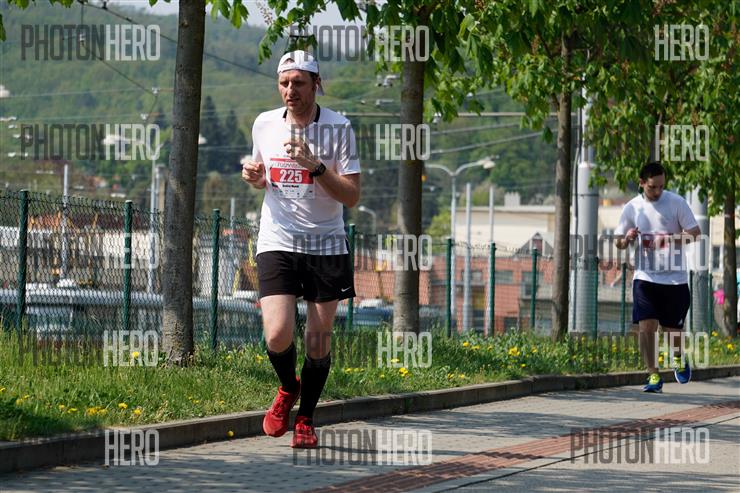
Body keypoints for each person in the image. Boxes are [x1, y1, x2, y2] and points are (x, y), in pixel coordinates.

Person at [241, 50, 361, 447]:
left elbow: (352, 196)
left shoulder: (339, 127)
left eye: (298, 83)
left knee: (317, 339)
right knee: (277, 334)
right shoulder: (264, 124)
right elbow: (265, 178)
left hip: (326, 244)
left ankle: (306, 418)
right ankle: (288, 387)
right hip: (278, 239)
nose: (290, 90)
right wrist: (255, 177)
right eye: (284, 83)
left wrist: (316, 166)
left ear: (316, 84)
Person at [615, 162, 700, 393]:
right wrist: (627, 238)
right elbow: (619, 242)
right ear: (642, 183)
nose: (658, 191)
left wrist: (670, 239)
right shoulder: (632, 208)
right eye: (653, 187)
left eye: (662, 186)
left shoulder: (676, 202)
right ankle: (653, 375)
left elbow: (695, 233)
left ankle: (679, 357)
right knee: (646, 327)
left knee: (673, 332)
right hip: (645, 277)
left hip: (675, 279)